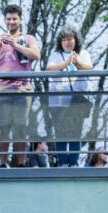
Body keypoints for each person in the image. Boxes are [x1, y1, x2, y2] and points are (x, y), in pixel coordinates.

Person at [0, 4, 41, 168]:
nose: (11, 22)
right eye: (8, 19)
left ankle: (21, 163)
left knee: (20, 127)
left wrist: (15, 44)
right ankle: (2, 164)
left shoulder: (28, 38)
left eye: (14, 19)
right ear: (4, 20)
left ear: (20, 20)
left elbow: (36, 55)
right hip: (1, 89)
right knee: (3, 128)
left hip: (22, 88)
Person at [44, 27, 92, 167]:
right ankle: (63, 162)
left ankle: (74, 162)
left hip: (77, 100)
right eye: (64, 39)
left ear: (76, 40)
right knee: (60, 133)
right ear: (60, 42)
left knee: (75, 133)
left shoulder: (83, 53)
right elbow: (50, 69)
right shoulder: (55, 54)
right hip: (58, 100)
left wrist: (77, 63)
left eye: (70, 39)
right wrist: (67, 63)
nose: (67, 42)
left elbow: (89, 69)